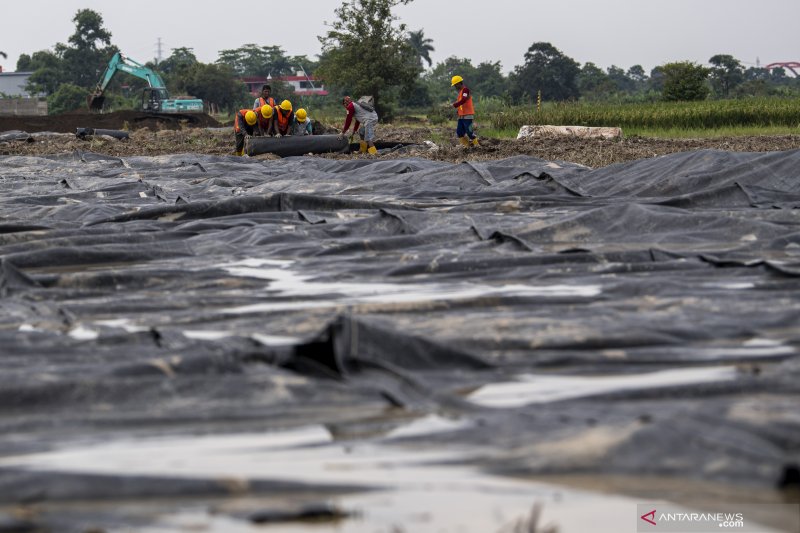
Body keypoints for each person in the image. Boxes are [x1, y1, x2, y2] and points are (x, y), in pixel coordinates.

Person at [450, 75, 479, 147]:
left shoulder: (465, 90)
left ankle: (477, 145)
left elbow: (464, 100)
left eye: (455, 85)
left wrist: (455, 105)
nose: (455, 87)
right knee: (459, 132)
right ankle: (466, 146)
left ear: (459, 83)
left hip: (467, 115)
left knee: (469, 132)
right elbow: (462, 104)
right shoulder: (461, 92)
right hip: (461, 116)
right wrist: (458, 111)